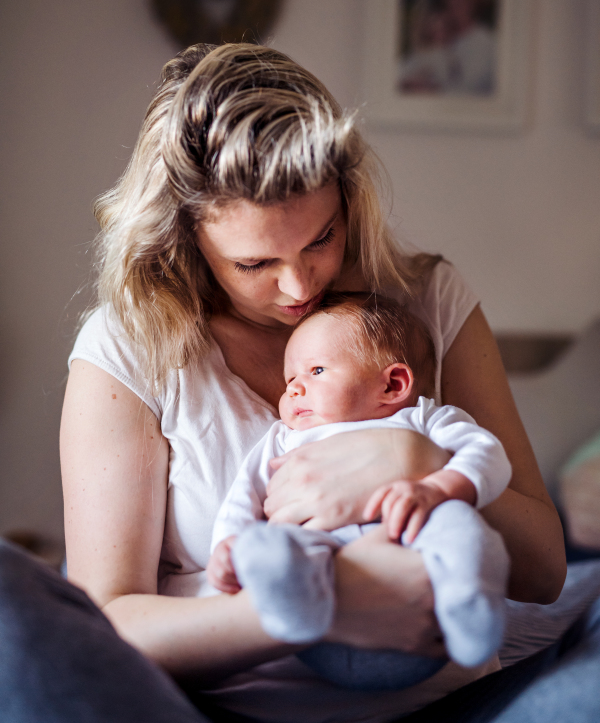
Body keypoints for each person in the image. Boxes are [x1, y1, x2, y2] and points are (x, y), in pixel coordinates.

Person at [2, 41, 598, 723]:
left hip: (458, 704)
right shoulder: (129, 346)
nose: (298, 285)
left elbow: (546, 571)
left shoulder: (425, 298)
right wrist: (319, 611)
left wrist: (419, 459)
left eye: (321, 238)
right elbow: (105, 621)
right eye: (255, 262)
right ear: (185, 240)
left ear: (349, 200)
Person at [207, 292, 512, 689]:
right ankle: (290, 598)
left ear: (393, 384)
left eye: (316, 371)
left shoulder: (423, 419)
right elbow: (244, 493)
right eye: (290, 380)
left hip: (426, 606)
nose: (295, 389)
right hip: (328, 620)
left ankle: (468, 602)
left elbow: (488, 453)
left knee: (459, 524)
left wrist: (439, 489)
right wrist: (228, 542)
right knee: (278, 541)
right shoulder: (283, 439)